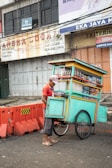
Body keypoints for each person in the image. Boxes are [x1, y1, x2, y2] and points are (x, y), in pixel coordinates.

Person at [41, 75, 58, 146]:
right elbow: (43, 98)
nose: (54, 84)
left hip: (51, 108)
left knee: (51, 124)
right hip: (47, 108)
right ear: (50, 80)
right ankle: (44, 140)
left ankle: (49, 138)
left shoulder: (51, 88)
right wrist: (48, 105)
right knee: (47, 124)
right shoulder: (46, 87)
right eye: (53, 82)